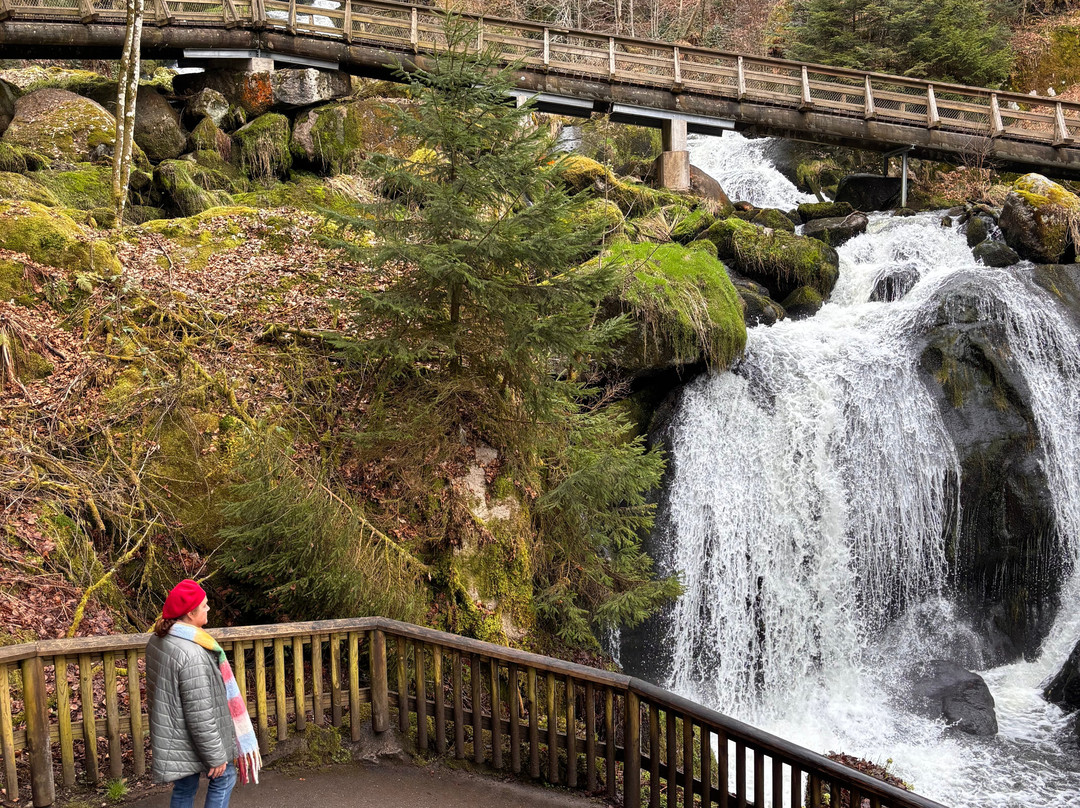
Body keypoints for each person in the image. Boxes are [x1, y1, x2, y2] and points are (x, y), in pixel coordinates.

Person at [145, 579, 261, 808]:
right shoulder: (193, 654)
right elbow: (200, 714)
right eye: (205, 605)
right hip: (192, 738)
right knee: (225, 777)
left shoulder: (159, 639)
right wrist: (216, 756)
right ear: (190, 613)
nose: (209, 608)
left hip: (174, 737)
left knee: (185, 787)